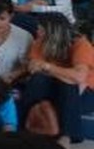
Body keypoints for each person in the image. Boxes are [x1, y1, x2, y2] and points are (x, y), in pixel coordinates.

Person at [17, 12, 94, 142]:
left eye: (40, 29)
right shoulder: (39, 42)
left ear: (51, 32)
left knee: (68, 83)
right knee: (38, 79)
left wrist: (48, 67)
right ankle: (22, 127)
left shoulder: (80, 44)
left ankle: (66, 136)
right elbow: (34, 68)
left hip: (84, 92)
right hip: (54, 86)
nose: (37, 31)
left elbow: (79, 77)